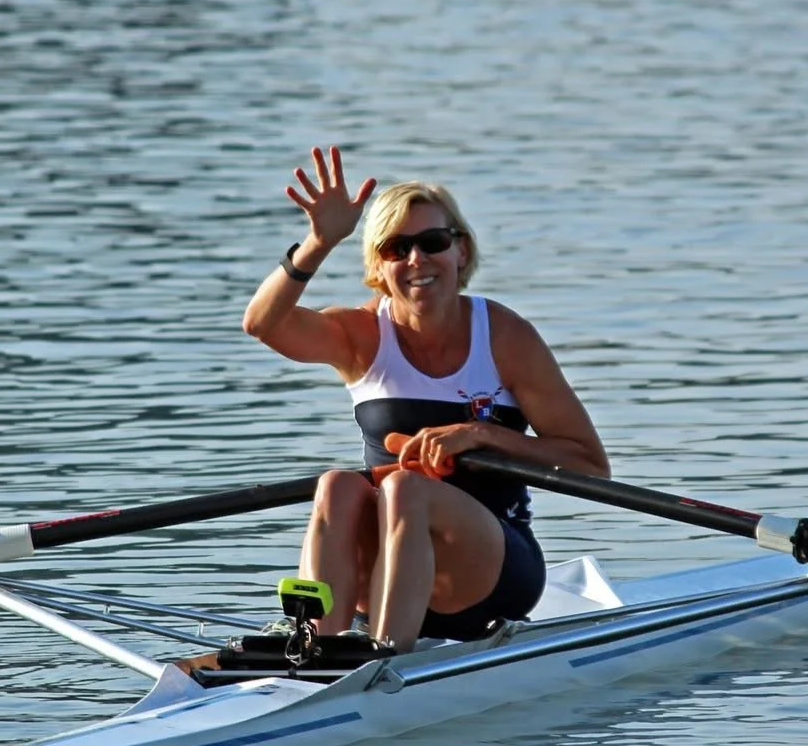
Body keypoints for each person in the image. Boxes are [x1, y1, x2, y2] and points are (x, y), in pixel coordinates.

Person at [241, 146, 610, 653]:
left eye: (433, 242)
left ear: (461, 251)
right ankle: (314, 644)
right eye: (396, 248)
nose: (417, 260)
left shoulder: (504, 335)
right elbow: (262, 324)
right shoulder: (362, 335)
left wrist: (481, 434)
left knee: (403, 489)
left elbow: (590, 465)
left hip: (490, 572)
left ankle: (385, 654)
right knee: (338, 486)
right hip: (386, 571)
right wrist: (318, 242)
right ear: (378, 265)